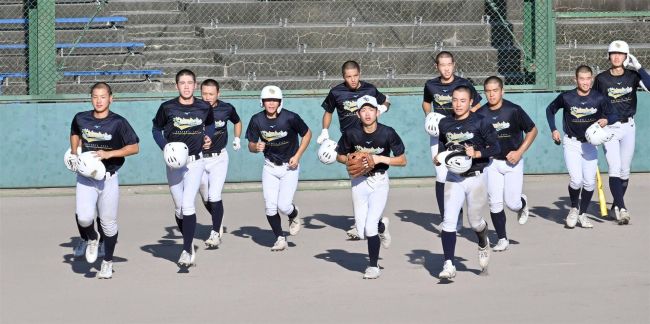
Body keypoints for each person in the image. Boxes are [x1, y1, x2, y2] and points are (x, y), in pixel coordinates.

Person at [65, 82, 140, 278]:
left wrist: (110, 154)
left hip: (109, 177)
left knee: (108, 223)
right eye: (95, 97)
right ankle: (91, 238)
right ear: (91, 98)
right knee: (83, 217)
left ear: (111, 99)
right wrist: (74, 153)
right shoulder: (81, 118)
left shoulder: (118, 122)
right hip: (85, 177)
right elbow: (74, 132)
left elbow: (134, 147)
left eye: (103, 97)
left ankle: (107, 261)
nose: (99, 100)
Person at [316, 60, 390, 240]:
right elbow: (328, 112)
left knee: (371, 178)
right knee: (357, 177)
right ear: (343, 77)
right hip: (350, 141)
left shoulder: (370, 89)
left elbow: (387, 101)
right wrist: (325, 130)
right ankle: (369, 224)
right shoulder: (336, 92)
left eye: (355, 75)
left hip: (369, 138)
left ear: (360, 74)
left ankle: (369, 223)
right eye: (349, 77)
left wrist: (381, 108)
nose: (353, 80)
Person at [336, 95, 406, 279]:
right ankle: (382, 225)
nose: (367, 113)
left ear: (377, 112)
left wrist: (380, 158)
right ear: (358, 114)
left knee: (369, 228)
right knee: (361, 232)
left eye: (371, 109)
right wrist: (350, 159)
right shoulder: (351, 133)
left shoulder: (387, 132)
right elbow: (340, 156)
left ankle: (373, 266)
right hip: (359, 181)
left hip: (379, 181)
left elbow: (402, 160)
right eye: (363, 110)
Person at [435, 85, 499, 280]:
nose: (458, 104)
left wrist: (477, 153)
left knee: (475, 222)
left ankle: (482, 238)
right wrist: (439, 156)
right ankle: (449, 264)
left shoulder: (481, 121)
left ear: (471, 102)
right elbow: (442, 144)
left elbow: (496, 147)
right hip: (454, 178)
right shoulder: (445, 123)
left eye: (463, 100)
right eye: (454, 100)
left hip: (477, 177)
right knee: (449, 221)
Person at [152, 69, 215, 267]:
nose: (186, 86)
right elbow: (156, 129)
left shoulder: (204, 107)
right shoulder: (167, 107)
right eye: (182, 83)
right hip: (173, 164)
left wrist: (208, 136)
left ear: (195, 85)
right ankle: (187, 237)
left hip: (195, 162)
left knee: (188, 205)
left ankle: (187, 250)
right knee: (179, 208)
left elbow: (211, 124)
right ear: (176, 85)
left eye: (190, 82)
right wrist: (165, 147)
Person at [546, 65, 617, 229]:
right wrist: (553, 129)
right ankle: (573, 208)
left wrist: (607, 120)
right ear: (575, 80)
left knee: (589, 183)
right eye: (582, 79)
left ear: (592, 79)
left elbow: (613, 114)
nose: (585, 82)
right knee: (576, 180)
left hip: (590, 145)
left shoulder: (599, 98)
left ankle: (582, 214)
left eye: (588, 78)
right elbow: (550, 110)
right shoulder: (567, 97)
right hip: (571, 143)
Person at [245, 85, 312, 251]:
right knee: (270, 206)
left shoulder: (290, 117)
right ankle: (280, 238)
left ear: (280, 101)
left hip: (289, 167)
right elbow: (251, 145)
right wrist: (256, 147)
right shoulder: (257, 120)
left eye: (275, 100)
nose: (271, 103)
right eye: (268, 100)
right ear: (262, 101)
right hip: (270, 167)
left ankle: (293, 213)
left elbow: (307, 133)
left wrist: (297, 156)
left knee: (284, 206)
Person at [422, 51, 482, 230]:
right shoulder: (430, 85)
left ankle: (465, 212)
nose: (446, 68)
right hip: (439, 136)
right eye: (442, 65)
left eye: (449, 64)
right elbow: (426, 102)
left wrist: (469, 122)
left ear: (454, 65)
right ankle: (449, 218)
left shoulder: (463, 84)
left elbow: (477, 104)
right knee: (441, 175)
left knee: (461, 173)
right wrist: (429, 116)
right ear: (437, 67)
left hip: (461, 136)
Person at [592, 40, 650, 224]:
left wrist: (640, 67)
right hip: (609, 127)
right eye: (613, 54)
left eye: (621, 54)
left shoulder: (633, 76)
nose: (616, 57)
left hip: (628, 127)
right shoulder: (601, 79)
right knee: (614, 168)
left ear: (626, 56)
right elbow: (594, 102)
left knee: (625, 170)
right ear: (609, 56)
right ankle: (622, 208)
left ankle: (616, 205)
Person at [477, 76, 537, 252]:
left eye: (495, 90)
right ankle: (502, 238)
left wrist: (519, 152)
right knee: (494, 203)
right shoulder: (480, 114)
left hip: (513, 163)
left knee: (512, 204)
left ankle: (522, 204)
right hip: (491, 163)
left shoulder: (513, 110)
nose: (491, 94)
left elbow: (532, 130)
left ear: (502, 91)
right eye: (488, 91)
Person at [198, 79, 242, 248]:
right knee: (205, 197)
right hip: (199, 159)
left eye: (211, 94)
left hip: (219, 158)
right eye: (204, 93)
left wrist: (237, 138)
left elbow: (237, 122)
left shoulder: (227, 108)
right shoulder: (194, 108)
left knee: (214, 196)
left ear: (218, 94)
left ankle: (215, 233)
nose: (207, 97)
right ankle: (218, 218)